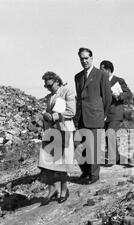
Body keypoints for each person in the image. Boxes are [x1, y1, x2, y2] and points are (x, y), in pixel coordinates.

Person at [74, 47, 112, 184]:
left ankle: (94, 175)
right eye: (81, 58)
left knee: (94, 147)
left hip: (96, 116)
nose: (84, 61)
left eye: (86, 58)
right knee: (79, 145)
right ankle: (85, 171)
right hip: (82, 117)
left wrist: (104, 114)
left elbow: (107, 97)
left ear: (91, 58)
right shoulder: (78, 77)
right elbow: (79, 97)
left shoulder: (101, 75)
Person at [38, 71, 76, 205]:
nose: (48, 88)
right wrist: (45, 116)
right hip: (51, 131)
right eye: (46, 86)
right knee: (47, 162)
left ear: (57, 82)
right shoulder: (50, 97)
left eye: (50, 85)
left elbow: (71, 111)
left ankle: (64, 190)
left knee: (62, 163)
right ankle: (52, 189)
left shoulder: (67, 91)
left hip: (64, 129)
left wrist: (53, 116)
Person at [99, 60, 133, 166]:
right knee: (107, 135)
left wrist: (119, 96)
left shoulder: (119, 80)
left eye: (102, 70)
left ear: (108, 70)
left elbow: (128, 93)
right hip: (105, 114)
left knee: (110, 132)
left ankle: (112, 158)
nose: (100, 72)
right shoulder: (100, 81)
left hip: (116, 112)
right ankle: (117, 158)